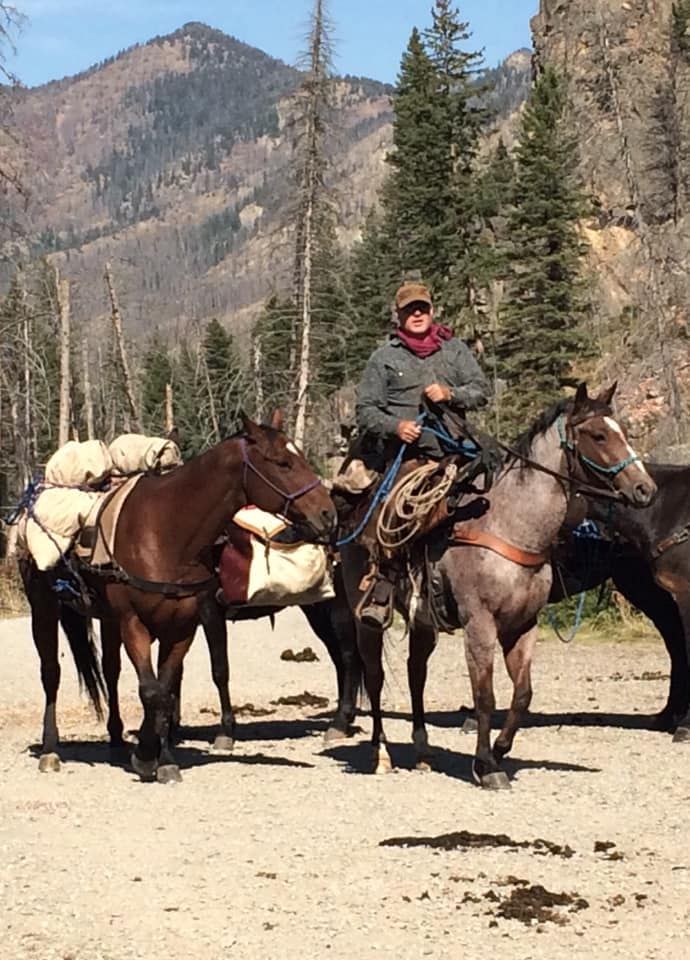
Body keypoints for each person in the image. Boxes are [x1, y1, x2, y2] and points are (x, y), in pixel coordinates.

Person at [353, 281, 490, 627]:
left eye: (422, 308)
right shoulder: (383, 358)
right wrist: (396, 426)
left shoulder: (455, 349)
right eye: (409, 309)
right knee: (395, 508)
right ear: (398, 315)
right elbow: (366, 410)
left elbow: (481, 391)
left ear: (431, 311)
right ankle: (382, 586)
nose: (417, 314)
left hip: (459, 451)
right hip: (408, 455)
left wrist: (451, 393)